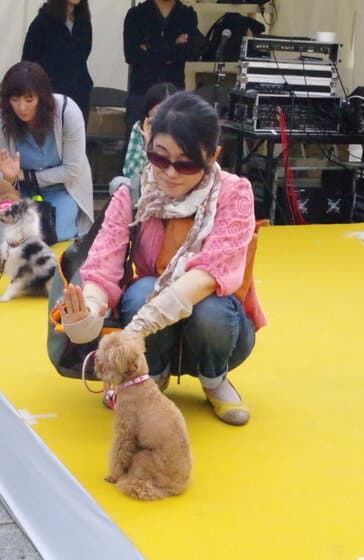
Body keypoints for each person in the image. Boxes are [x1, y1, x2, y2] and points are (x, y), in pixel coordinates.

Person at [58, 91, 266, 426]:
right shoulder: (132, 193)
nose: (169, 173)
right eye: (159, 158)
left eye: (186, 163)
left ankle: (214, 379)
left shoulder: (234, 193)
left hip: (217, 321)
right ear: (147, 142)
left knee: (209, 305)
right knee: (142, 290)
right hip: (153, 313)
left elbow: (208, 275)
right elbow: (102, 267)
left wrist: (137, 327)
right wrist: (88, 313)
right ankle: (151, 376)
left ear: (213, 156)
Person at [0, 61, 94, 242]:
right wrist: (8, 178)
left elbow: (72, 170)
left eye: (29, 100)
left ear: (43, 97)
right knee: (3, 239)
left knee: (47, 233)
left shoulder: (68, 112)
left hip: (64, 190)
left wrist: (24, 175)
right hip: (20, 192)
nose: (22, 108)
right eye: (15, 100)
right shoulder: (0, 123)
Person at [123, 0, 199, 126]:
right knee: (138, 137)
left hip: (174, 89)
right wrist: (172, 46)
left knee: (173, 138)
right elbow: (131, 55)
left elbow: (187, 53)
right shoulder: (136, 14)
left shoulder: (187, 14)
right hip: (141, 90)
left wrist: (149, 48)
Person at [22, 0, 93, 122]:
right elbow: (28, 61)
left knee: (75, 137)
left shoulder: (83, 22)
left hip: (79, 93)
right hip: (51, 93)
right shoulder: (43, 21)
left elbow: (84, 54)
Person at [122, 81, 177, 179]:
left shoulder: (184, 128)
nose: (163, 118)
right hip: (145, 185)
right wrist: (149, 144)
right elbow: (131, 172)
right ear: (149, 111)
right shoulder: (140, 127)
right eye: (157, 112)